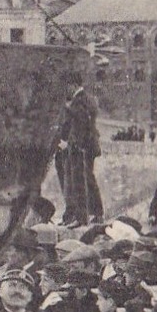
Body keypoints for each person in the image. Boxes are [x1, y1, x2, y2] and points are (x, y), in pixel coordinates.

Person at [54, 73, 104, 226]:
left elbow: (82, 126)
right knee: (76, 181)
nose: (65, 90)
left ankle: (87, 216)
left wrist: (75, 144)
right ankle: (76, 214)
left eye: (67, 87)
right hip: (77, 147)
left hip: (82, 148)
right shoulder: (78, 101)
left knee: (82, 181)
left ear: (73, 85)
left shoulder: (82, 101)